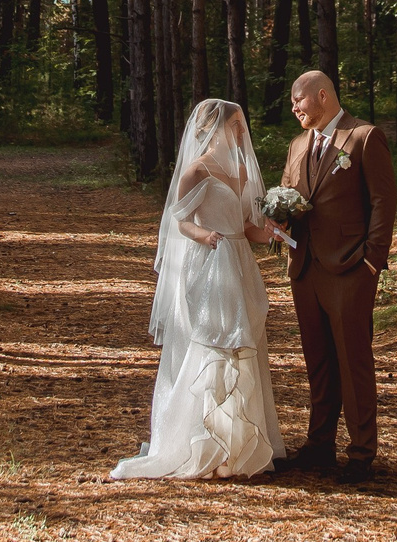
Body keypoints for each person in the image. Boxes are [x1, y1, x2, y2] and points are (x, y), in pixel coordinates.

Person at [112, 99, 286, 480]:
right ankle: (202, 440)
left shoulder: (239, 169)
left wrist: (269, 231)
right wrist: (204, 234)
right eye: (237, 125)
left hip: (239, 261)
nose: (243, 132)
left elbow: (246, 225)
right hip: (211, 263)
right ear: (217, 128)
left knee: (244, 344)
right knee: (214, 345)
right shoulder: (196, 171)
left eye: (242, 124)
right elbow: (179, 223)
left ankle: (239, 444)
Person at [274, 69, 395, 484]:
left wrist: (372, 262)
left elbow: (383, 201)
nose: (294, 108)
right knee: (319, 363)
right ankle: (319, 445)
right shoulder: (297, 145)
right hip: (305, 267)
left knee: (353, 360)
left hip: (350, 269)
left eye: (299, 101)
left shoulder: (363, 137)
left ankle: (361, 453)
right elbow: (288, 191)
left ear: (322, 96)